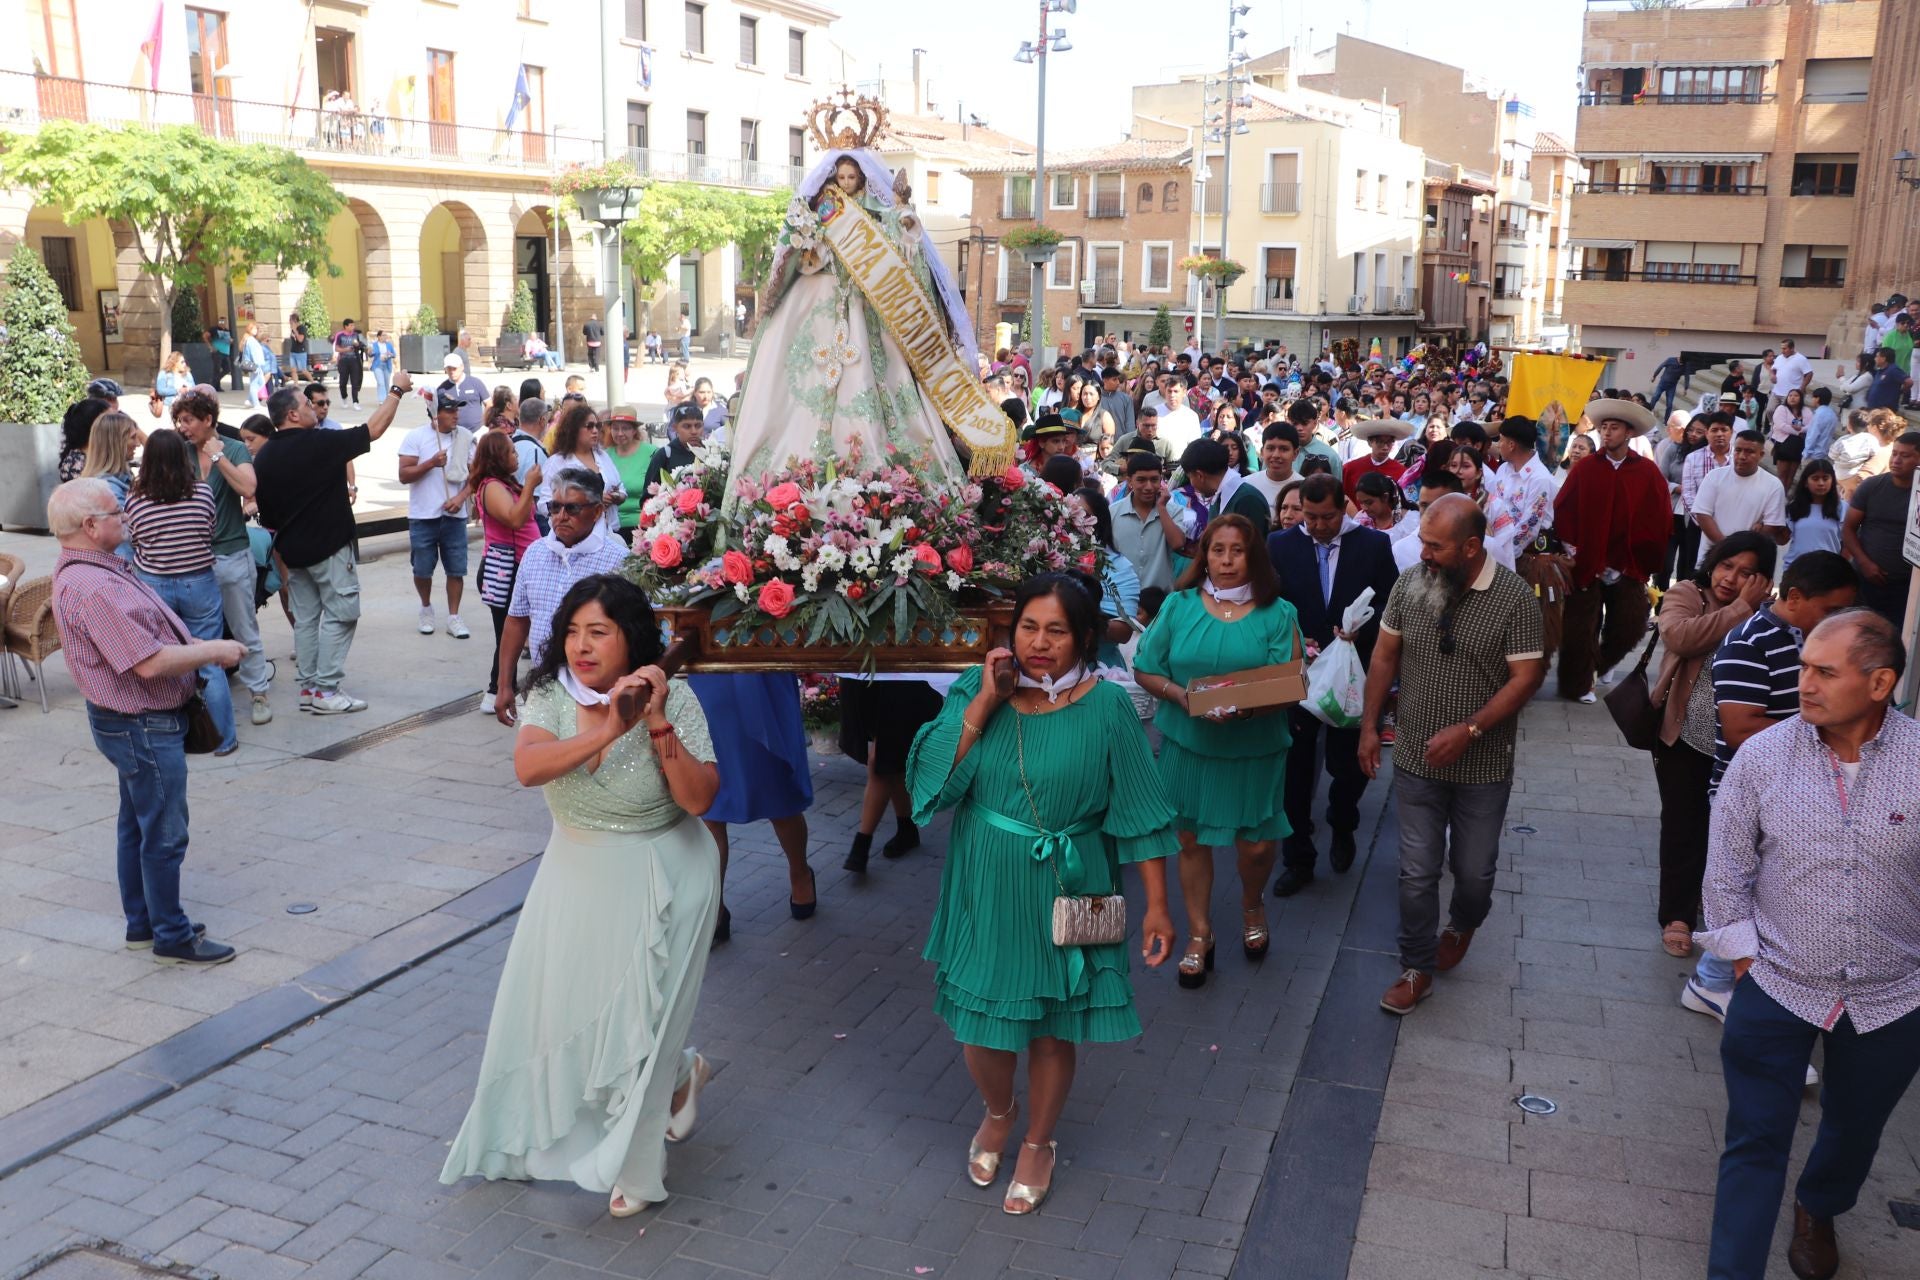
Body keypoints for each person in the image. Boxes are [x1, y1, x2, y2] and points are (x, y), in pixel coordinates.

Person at [442, 575, 720, 1216]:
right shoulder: (548, 695)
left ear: (632, 640)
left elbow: (701, 799)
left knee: (647, 1017)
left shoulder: (674, 700)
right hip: (575, 867)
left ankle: (634, 1163)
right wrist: (610, 725)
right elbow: (528, 768)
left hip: (667, 867)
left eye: (599, 632)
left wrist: (651, 722)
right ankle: (685, 1072)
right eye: (572, 631)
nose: (581, 646)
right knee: (574, 1010)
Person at [904, 573, 1175, 1214]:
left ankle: (1039, 1141)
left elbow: (1140, 812)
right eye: (1029, 627)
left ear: (1084, 638)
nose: (1040, 643)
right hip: (987, 881)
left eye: (1057, 630)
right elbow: (930, 791)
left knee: (1056, 1029)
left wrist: (1158, 906)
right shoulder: (978, 689)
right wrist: (982, 707)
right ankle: (999, 1111)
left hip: (1080, 881)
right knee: (984, 1028)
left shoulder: (1109, 707)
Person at [1698, 610, 1920, 1280]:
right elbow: (1726, 870)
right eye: (1804, 668)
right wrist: (1745, 965)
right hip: (1775, 984)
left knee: (1854, 1131)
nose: (1805, 684)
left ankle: (1819, 1204)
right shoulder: (1763, 758)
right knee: (1754, 1142)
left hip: (1891, 998)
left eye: (1826, 671)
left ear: (1880, 682)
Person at [47, 478, 247, 964]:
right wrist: (215, 649)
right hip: (141, 723)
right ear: (91, 527)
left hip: (134, 721)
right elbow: (148, 663)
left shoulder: (93, 569)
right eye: (117, 512)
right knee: (162, 831)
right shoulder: (92, 585)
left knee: (138, 824)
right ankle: (171, 936)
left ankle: (145, 924)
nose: (127, 518)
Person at [1361, 495, 1546, 1013]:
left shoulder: (1512, 597)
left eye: (1435, 546)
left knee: (1474, 873)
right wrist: (1369, 727)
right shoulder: (1410, 584)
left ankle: (1463, 923)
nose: (1423, 553)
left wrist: (1469, 731)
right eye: (1422, 541)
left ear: (1470, 547)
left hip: (1483, 764)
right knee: (1417, 870)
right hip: (1417, 757)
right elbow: (1384, 655)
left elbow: (1526, 679)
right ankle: (1416, 966)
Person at [1680, 551, 1860, 1022]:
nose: (1840, 622)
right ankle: (1722, 986)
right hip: (1746, 793)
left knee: (1770, 893)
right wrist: (1831, 726)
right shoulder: (1748, 641)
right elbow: (1740, 729)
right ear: (1795, 597)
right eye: (1833, 610)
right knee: (1748, 891)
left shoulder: (1812, 642)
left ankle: (1712, 981)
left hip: (1797, 792)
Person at [1131, 516, 1301, 989]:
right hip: (1190, 744)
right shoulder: (1180, 606)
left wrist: (1245, 710)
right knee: (1190, 840)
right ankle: (1199, 934)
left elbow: (1288, 683)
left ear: (1255, 557)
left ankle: (1252, 903)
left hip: (1255, 747)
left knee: (1258, 843)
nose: (1226, 561)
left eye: (1237, 551)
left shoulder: (1278, 612)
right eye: (1217, 550)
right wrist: (1181, 696)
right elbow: (1147, 667)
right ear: (1204, 554)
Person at [253, 371, 414, 714]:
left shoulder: (264, 456)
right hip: (328, 548)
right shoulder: (320, 444)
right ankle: (326, 688)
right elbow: (373, 430)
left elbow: (268, 518)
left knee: (307, 619)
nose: (314, 408)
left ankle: (310, 688)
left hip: (294, 553)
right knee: (342, 614)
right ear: (293, 414)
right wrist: (397, 391)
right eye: (307, 403)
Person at [1268, 474, 1398, 894]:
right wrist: (1290, 638)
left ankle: (1343, 823)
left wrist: (1364, 627)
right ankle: (1298, 858)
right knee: (1295, 770)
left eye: (1327, 517)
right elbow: (1269, 602)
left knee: (1349, 763)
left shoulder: (1373, 545)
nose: (1319, 526)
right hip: (1299, 672)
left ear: (1344, 508)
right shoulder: (1282, 545)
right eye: (1310, 518)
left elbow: (1390, 601)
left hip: (1352, 672)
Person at [1647, 532, 1775, 958]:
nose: (1731, 578)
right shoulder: (1687, 593)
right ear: (1712, 562)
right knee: (1684, 825)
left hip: (1740, 746)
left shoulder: (1769, 615)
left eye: (1746, 573)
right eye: (1726, 566)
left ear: (1763, 579)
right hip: (1684, 735)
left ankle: (1711, 895)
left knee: (1732, 830)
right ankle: (1677, 915)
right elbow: (1681, 638)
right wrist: (1741, 608)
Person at [122, 428, 237, 756]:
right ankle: (224, 739)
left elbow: (135, 540)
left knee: (162, 661)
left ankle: (169, 735)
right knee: (209, 661)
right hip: (199, 582)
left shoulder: (136, 497)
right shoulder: (201, 491)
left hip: (154, 585)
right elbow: (209, 531)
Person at [492, 467, 632, 727]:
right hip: (542, 685)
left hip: (598, 693)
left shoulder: (619, 561)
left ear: (598, 511)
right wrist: (504, 685)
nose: (561, 516)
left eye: (572, 508)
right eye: (554, 507)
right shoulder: (535, 553)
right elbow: (516, 620)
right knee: (539, 762)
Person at [1553, 400, 1671, 703]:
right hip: (1587, 559)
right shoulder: (1587, 468)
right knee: (1579, 628)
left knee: (1630, 625)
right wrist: (1574, 547)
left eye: (1614, 428)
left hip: (1627, 562)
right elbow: (1564, 507)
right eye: (1604, 427)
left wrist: (1639, 557)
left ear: (1628, 432)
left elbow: (1658, 516)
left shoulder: (1646, 472)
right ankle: (1579, 684)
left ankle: (1601, 663)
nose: (1606, 433)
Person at [169, 388, 271, 726]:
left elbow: (247, 488)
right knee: (196, 632)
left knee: (243, 625)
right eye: (179, 421)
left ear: (208, 420)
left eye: (188, 420)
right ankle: (200, 693)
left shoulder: (236, 448)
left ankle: (258, 691)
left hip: (230, 554)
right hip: (190, 558)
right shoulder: (179, 454)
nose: (183, 427)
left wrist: (218, 457)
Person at [691, 671, 817, 942]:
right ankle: (715, 908)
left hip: (760, 672)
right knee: (710, 808)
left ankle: (800, 872)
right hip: (706, 672)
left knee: (779, 797)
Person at [839, 676, 943, 873]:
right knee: (892, 755)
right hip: (872, 672)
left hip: (904, 676)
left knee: (882, 756)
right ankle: (906, 828)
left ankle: (862, 844)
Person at [470, 432, 540, 717]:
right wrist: (531, 486)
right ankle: (502, 691)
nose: (517, 456)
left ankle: (494, 691)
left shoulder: (506, 483)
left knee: (510, 633)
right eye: (511, 452)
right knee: (509, 634)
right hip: (504, 569)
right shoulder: (491, 486)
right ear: (498, 457)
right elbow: (514, 518)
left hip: (517, 567)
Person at [400, 390, 477, 639]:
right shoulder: (415, 437)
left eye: (457, 409)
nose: (456, 414)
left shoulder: (465, 437)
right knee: (422, 569)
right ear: (435, 413)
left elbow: (476, 475)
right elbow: (404, 474)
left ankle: (454, 617)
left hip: (454, 515)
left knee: (456, 569)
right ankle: (426, 607)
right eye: (450, 410)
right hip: (423, 515)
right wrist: (430, 463)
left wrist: (460, 498)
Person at [1842, 429, 1920, 626]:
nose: (1896, 460)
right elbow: (1849, 528)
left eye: (1905, 456)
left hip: (1906, 589)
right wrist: (1864, 562)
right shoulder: (1872, 486)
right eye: (1894, 453)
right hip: (1865, 581)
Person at [1691, 430, 1788, 569]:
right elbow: (1702, 515)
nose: (1742, 456)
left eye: (1749, 451)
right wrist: (1726, 548)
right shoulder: (1714, 477)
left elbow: (1772, 525)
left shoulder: (1774, 485)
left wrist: (1742, 550)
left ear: (1761, 455)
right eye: (1738, 450)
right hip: (1711, 558)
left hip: (1748, 565)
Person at [540, 400, 625, 535]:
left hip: (609, 531)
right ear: (573, 430)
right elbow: (544, 504)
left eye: (597, 426)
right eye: (589, 426)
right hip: (573, 535)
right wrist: (587, 501)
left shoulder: (603, 457)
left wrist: (616, 497)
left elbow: (620, 488)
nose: (595, 431)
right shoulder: (557, 462)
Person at [1179, 438, 1270, 538]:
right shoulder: (1218, 495)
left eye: (1190, 477)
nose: (1191, 484)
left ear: (1200, 475)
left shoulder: (1248, 500)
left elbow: (1253, 548)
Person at [605, 409, 654, 546]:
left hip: (642, 526)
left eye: (625, 428)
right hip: (611, 527)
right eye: (615, 428)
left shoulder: (652, 453)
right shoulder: (604, 456)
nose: (620, 433)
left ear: (634, 430)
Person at [1784, 460, 1844, 571]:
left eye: (1825, 478)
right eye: (1815, 478)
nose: (1821, 483)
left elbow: (1848, 544)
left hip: (1828, 570)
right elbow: (1782, 538)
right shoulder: (1794, 507)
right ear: (1806, 482)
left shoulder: (1842, 509)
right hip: (1796, 569)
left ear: (1832, 481)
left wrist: (1840, 567)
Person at [1339, 419, 1413, 498]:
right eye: (1380, 442)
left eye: (1389, 442)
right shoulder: (1350, 469)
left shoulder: (1402, 472)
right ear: (1370, 442)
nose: (1385, 447)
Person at [643, 403, 704, 496]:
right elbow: (647, 499)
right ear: (675, 428)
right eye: (687, 426)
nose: (694, 431)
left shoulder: (711, 455)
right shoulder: (664, 455)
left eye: (698, 426)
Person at [1244, 422, 1299, 511]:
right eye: (1270, 448)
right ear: (1262, 452)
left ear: (1295, 454)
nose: (1276, 455)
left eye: (1284, 449)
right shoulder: (1246, 486)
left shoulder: (1305, 489)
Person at [436, 353, 490, 431]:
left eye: (454, 368)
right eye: (449, 368)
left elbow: (489, 404)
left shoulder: (475, 383)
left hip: (477, 431)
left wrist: (484, 424)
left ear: (462, 367)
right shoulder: (441, 389)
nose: (451, 371)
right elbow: (437, 413)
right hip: (454, 433)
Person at [331, 318, 366, 406]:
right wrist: (345, 349)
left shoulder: (355, 335)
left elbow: (359, 345)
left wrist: (357, 345)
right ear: (346, 326)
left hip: (354, 360)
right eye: (351, 325)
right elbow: (336, 348)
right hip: (343, 361)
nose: (353, 327)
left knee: (355, 381)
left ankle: (355, 401)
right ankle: (344, 397)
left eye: (353, 325)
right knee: (343, 382)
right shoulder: (340, 335)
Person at [151, 351, 190, 416]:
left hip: (186, 407)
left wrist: (188, 390)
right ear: (175, 363)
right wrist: (178, 391)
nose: (185, 364)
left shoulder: (187, 374)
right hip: (169, 407)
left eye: (184, 362)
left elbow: (194, 388)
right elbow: (160, 390)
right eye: (182, 362)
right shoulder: (164, 374)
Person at [1649, 353, 1684, 419]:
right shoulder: (1670, 360)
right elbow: (1660, 367)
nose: (1681, 364)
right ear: (1679, 357)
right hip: (1663, 383)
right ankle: (1649, 411)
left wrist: (1686, 388)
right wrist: (1654, 376)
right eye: (1680, 362)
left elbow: (1687, 376)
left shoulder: (1686, 364)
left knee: (1669, 404)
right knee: (1655, 396)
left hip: (1672, 386)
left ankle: (1666, 420)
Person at [368, 329, 397, 400]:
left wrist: (390, 354)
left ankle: (386, 399)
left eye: (386, 335)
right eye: (383, 335)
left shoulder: (389, 345)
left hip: (387, 366)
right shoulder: (374, 345)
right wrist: (370, 352)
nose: (385, 337)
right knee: (381, 383)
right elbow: (370, 355)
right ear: (379, 336)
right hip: (377, 365)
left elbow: (394, 354)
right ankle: (382, 400)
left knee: (386, 384)